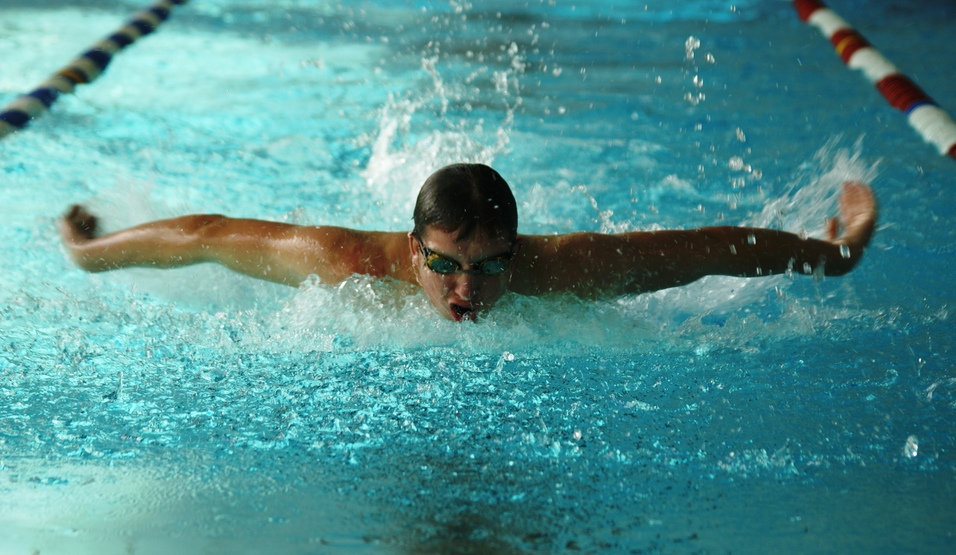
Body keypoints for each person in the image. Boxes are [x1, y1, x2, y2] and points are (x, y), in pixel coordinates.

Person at [60, 163, 877, 322]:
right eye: (446, 266)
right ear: (412, 249)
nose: (466, 293)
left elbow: (709, 247)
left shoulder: (562, 272)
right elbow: (205, 235)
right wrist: (89, 254)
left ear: (517, 253)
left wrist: (833, 254)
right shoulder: (347, 263)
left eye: (490, 268)